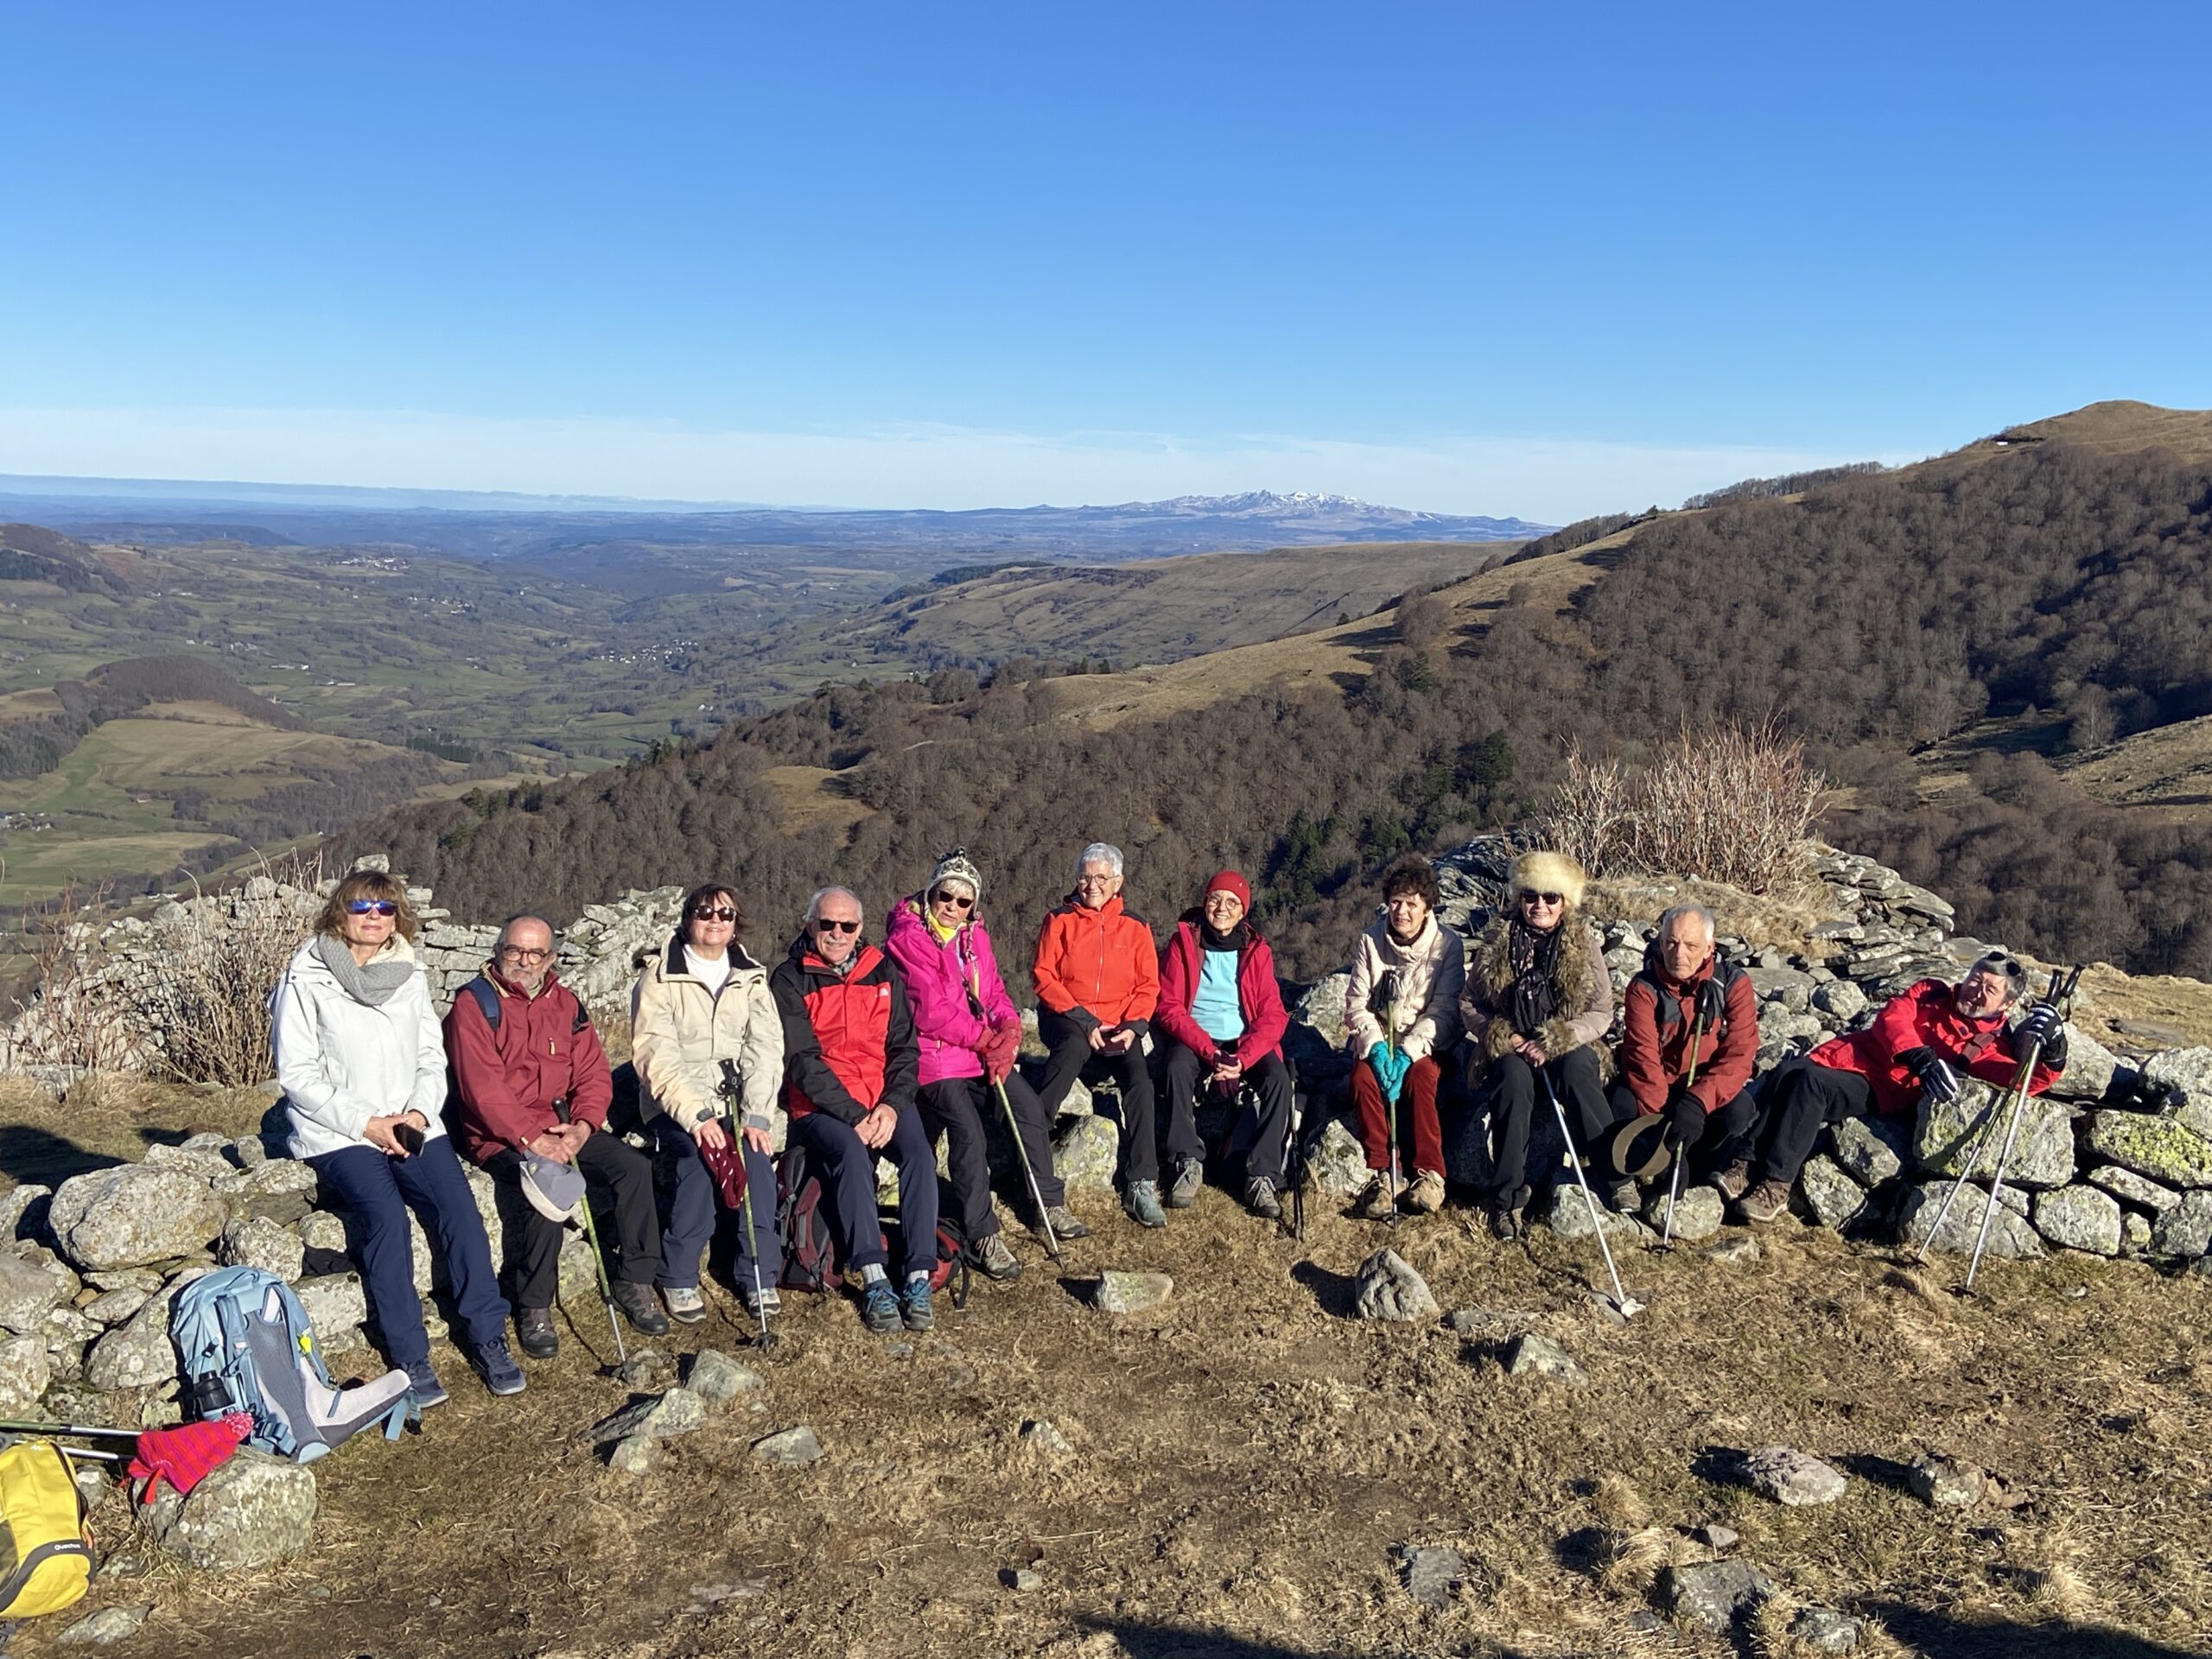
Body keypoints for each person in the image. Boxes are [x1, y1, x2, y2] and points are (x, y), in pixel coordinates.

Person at [271, 868, 521, 1406]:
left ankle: (486, 1334)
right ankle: (410, 1355)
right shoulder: (306, 976)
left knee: (457, 1209)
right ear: (340, 911)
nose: (374, 919)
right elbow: (297, 1073)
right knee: (385, 1217)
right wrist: (368, 1122)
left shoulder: (407, 973)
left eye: (385, 910)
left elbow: (431, 1056)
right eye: (362, 908)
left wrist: (419, 1113)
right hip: (338, 1132)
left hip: (411, 1121)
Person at [444, 914, 670, 1363]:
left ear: (551, 958)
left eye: (536, 954)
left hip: (565, 1126)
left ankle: (635, 1277)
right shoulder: (474, 1005)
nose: (524, 962)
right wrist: (533, 1140)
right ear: (498, 950)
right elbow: (481, 1090)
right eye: (515, 951)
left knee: (634, 1168)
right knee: (547, 1185)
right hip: (498, 1136)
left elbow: (593, 1073)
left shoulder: (565, 1004)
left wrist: (584, 1125)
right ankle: (534, 1305)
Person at [1733, 949, 2068, 1222]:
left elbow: (2022, 1080)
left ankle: (1775, 1185)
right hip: (1847, 1055)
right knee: (1785, 1073)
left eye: (1989, 990)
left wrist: (2053, 1055)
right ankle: (1743, 1167)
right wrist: (1919, 1055)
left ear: (2006, 1005)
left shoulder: (1987, 1045)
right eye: (1975, 980)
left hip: (1882, 1086)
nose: (1976, 991)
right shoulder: (1931, 991)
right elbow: (1893, 1016)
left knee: (1808, 1084)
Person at [887, 851, 1089, 1282]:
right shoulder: (908, 938)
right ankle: (981, 1232)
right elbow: (930, 1010)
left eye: (964, 901)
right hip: (934, 1057)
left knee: (1028, 1109)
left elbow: (994, 990)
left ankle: (1044, 1202)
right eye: (946, 896)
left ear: (974, 906)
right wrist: (986, 1039)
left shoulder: (974, 937)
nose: (953, 907)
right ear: (930, 893)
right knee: (967, 1130)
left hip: (979, 1053)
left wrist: (1011, 1030)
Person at [769, 887, 940, 1333]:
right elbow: (801, 1061)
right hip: (822, 1106)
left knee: (920, 1155)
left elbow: (905, 1047)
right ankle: (874, 1276)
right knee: (849, 1154)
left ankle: (919, 1273)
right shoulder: (790, 978)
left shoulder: (882, 971)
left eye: (847, 925)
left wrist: (890, 1105)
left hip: (882, 1098)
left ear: (861, 929)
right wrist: (854, 1115)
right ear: (810, 926)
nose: (837, 933)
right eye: (827, 924)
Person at [631, 882, 784, 1320]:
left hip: (734, 1098)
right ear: (687, 920)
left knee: (755, 1157)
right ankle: (678, 1274)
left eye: (726, 914)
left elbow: (765, 1048)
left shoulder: (750, 977)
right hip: (675, 1103)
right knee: (702, 1158)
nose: (715, 920)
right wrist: (696, 1116)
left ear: (736, 926)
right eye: (705, 912)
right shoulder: (659, 978)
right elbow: (655, 1055)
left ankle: (758, 1271)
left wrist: (756, 1114)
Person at [1462, 849, 1617, 1240]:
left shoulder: (1582, 944)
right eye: (1531, 895)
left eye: (1551, 897)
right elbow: (1469, 1001)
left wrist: (1560, 1039)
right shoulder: (1498, 939)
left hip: (1563, 1040)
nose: (1540, 905)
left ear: (1565, 901)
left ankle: (1615, 1172)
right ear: (1519, 897)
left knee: (1580, 1071)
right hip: (1512, 1043)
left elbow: (1601, 1012)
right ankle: (1507, 1199)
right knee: (1511, 1083)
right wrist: (1499, 1034)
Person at [1033, 842, 1175, 1227]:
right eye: (1084, 877)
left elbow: (1148, 985)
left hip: (1119, 1024)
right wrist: (1084, 1020)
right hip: (1066, 1015)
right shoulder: (1059, 919)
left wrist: (1133, 1027)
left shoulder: (1135, 926)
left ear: (1118, 882)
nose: (1091, 885)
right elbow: (1044, 977)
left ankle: (1142, 1181)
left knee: (1140, 1083)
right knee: (1071, 1052)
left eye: (1100, 878)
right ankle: (1033, 1140)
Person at [1155, 869, 1295, 1219]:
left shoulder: (1256, 950)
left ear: (1243, 911)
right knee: (1175, 1068)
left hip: (1242, 1039)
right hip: (1197, 1035)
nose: (1222, 908)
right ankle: (1187, 1160)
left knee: (1279, 1081)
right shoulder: (1184, 942)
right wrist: (1211, 1052)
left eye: (1233, 902)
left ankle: (1262, 1173)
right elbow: (1169, 1007)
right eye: (1216, 899)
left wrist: (1242, 1059)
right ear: (1204, 902)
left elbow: (1273, 1014)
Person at [1608, 905, 1760, 1208]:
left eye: (1691, 945)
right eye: (1671, 943)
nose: (1679, 954)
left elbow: (1740, 1052)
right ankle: (1648, 1168)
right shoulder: (1643, 987)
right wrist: (1667, 1128)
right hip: (1657, 1087)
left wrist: (1698, 1102)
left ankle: (1703, 1167)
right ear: (1661, 942)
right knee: (1621, 1105)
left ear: (1709, 948)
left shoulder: (1734, 984)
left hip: (1703, 1087)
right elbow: (1642, 1057)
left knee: (1739, 1113)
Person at [1344, 854, 1465, 1220]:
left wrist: (1409, 1050)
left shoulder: (1447, 946)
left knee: (1423, 1076)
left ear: (1427, 907)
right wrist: (1376, 1046)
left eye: (1412, 903)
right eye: (1396, 902)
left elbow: (1445, 1010)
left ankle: (1431, 1173)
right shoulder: (1370, 941)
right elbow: (1357, 1003)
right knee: (1363, 1078)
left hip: (1427, 1043)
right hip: (1381, 1038)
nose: (1402, 911)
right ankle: (1386, 1171)